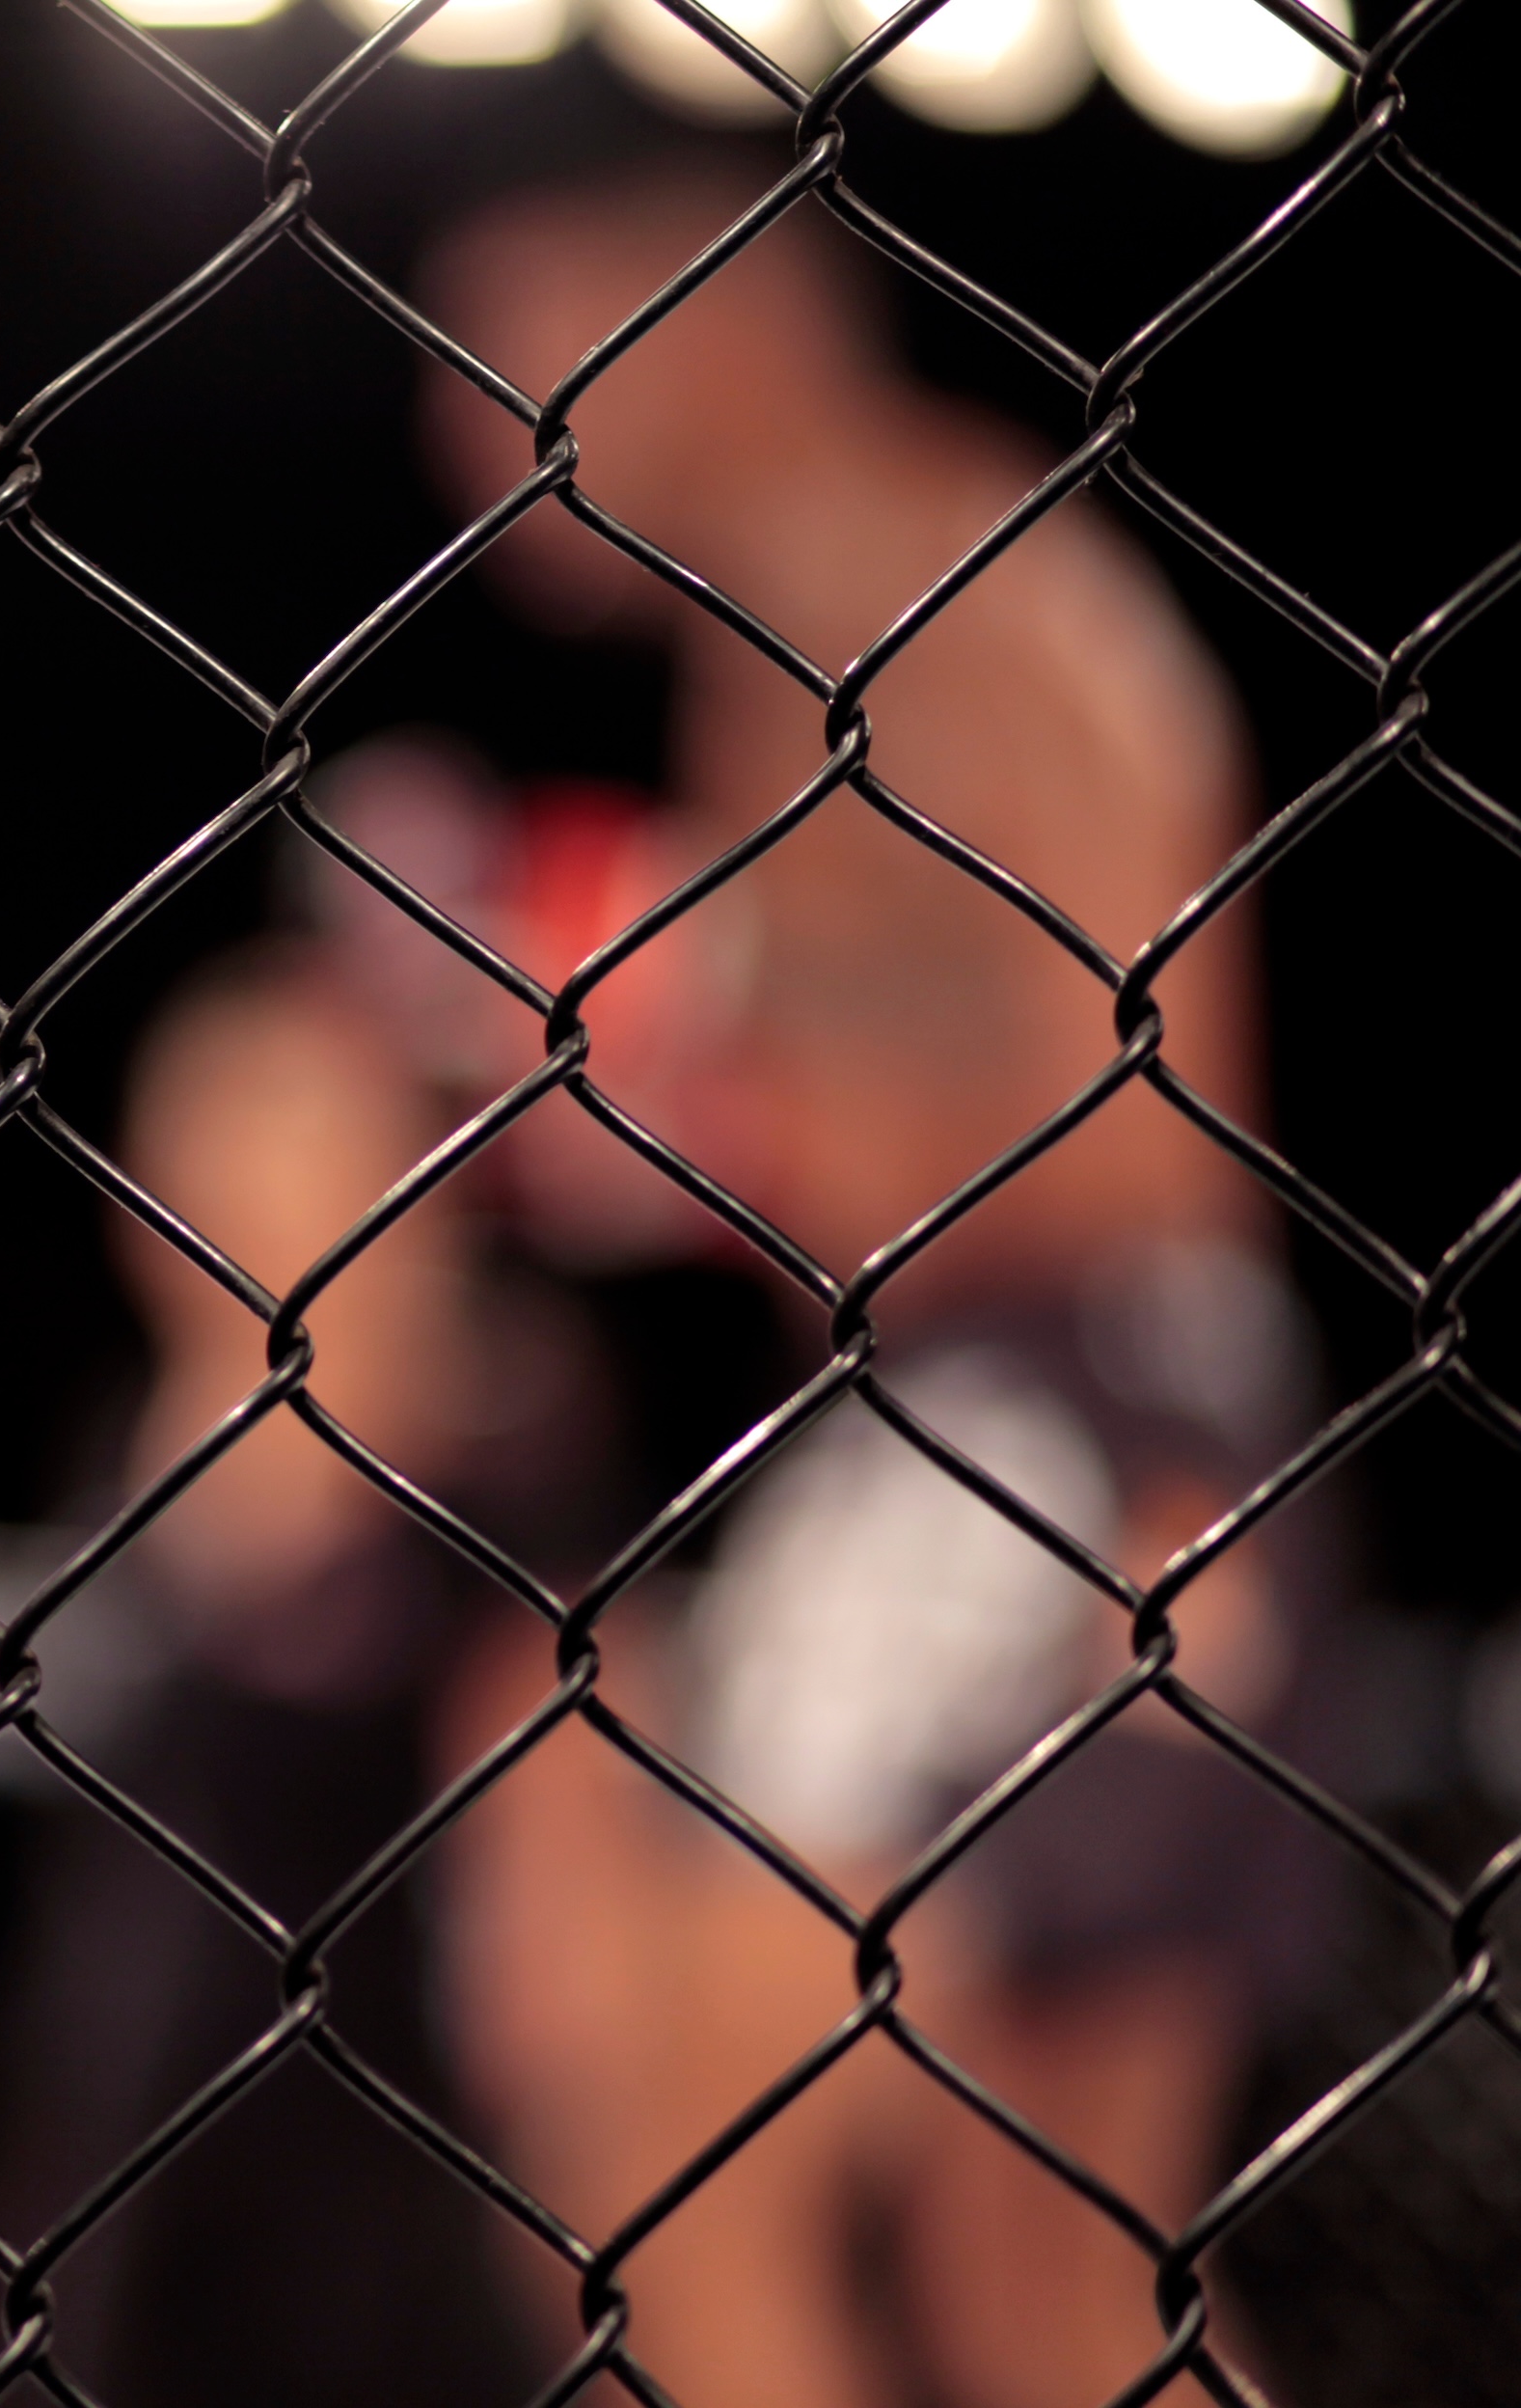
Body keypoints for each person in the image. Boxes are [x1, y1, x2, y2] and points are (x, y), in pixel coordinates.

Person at [409, 165, 1340, 2408]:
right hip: (1158, 1399)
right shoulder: (947, 555)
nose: (461, 422)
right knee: (1059, 2293)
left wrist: (650, 1026)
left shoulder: (849, 569)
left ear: (705, 313)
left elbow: (1060, 1061)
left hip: (1034, 1415)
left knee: (659, 2166)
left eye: (506, 339)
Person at [0, 939, 540, 2407]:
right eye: (209, 1155)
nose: (248, 1197)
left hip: (408, 2182)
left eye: (312, 1142)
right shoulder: (122, 1462)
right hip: (120, 2163)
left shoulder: (514, 1469)